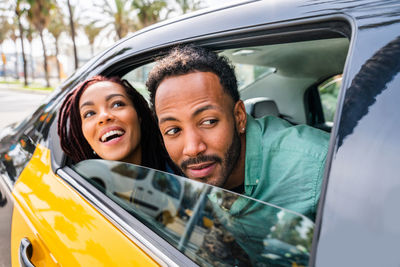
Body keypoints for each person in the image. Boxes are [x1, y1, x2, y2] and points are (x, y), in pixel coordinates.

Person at [146, 45, 330, 220]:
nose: (192, 149)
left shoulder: (318, 167)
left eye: (209, 122)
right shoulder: (170, 182)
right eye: (173, 130)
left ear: (239, 117)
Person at [58, 75, 173, 172]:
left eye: (117, 104)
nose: (104, 117)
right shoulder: (77, 190)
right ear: (82, 133)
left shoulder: (179, 174)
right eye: (89, 114)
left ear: (139, 115)